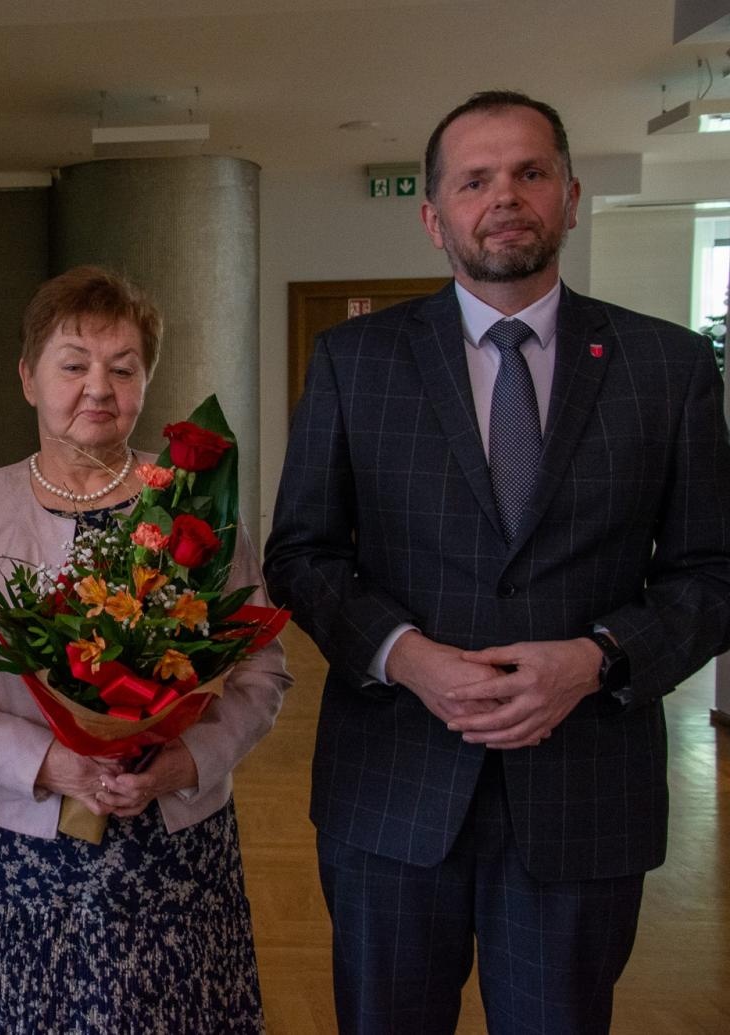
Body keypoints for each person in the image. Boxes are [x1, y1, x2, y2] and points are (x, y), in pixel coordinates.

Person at [265, 90, 730, 1034]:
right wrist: (404, 653)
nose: (505, 196)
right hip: (392, 789)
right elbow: (302, 556)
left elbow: (712, 574)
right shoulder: (356, 360)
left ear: (571, 195)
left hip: (583, 793)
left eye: (530, 173)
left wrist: (596, 657)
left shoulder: (668, 367)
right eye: (475, 180)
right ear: (435, 216)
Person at [0, 266, 291, 1034]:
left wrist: (185, 762)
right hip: (15, 852)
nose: (98, 387)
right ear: (28, 378)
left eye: (124, 366)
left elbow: (262, 669)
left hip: (171, 849)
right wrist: (53, 762)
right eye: (73, 363)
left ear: (146, 381)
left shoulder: (194, 506)